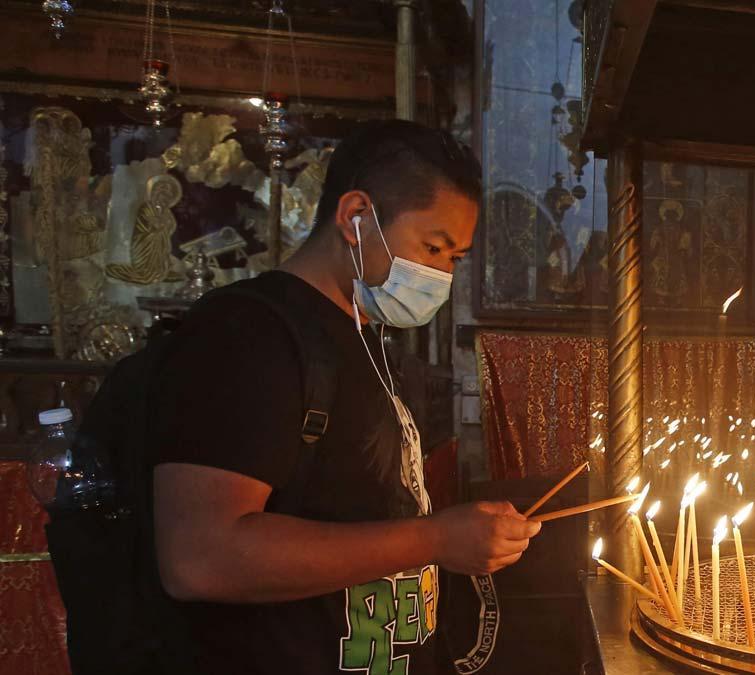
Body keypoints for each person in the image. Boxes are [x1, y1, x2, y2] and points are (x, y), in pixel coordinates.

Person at [149, 120, 541, 674]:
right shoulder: (248, 334)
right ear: (357, 218)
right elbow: (200, 557)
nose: (440, 274)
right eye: (432, 247)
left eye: (454, 258)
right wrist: (435, 538)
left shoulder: (369, 338)